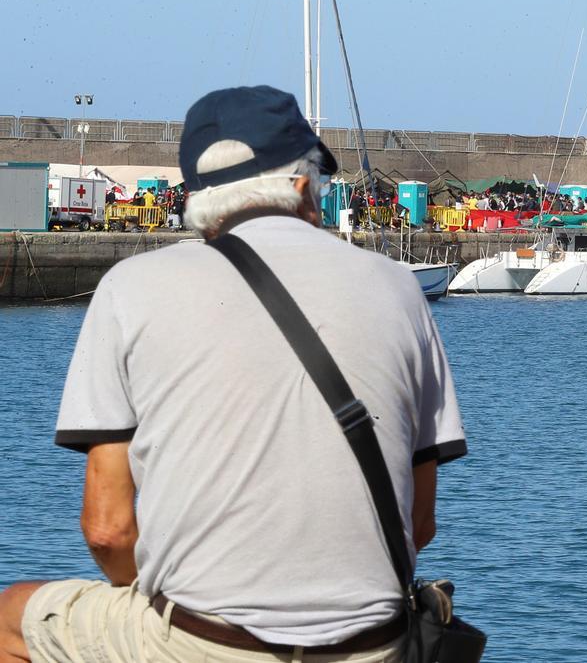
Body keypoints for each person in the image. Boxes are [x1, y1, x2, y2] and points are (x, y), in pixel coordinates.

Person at [0, 85, 468, 662]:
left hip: (199, 644)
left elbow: (108, 530)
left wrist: (170, 606)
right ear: (303, 184)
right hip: (372, 648)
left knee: (11, 620)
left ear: (197, 195)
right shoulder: (400, 289)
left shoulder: (131, 287)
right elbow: (419, 524)